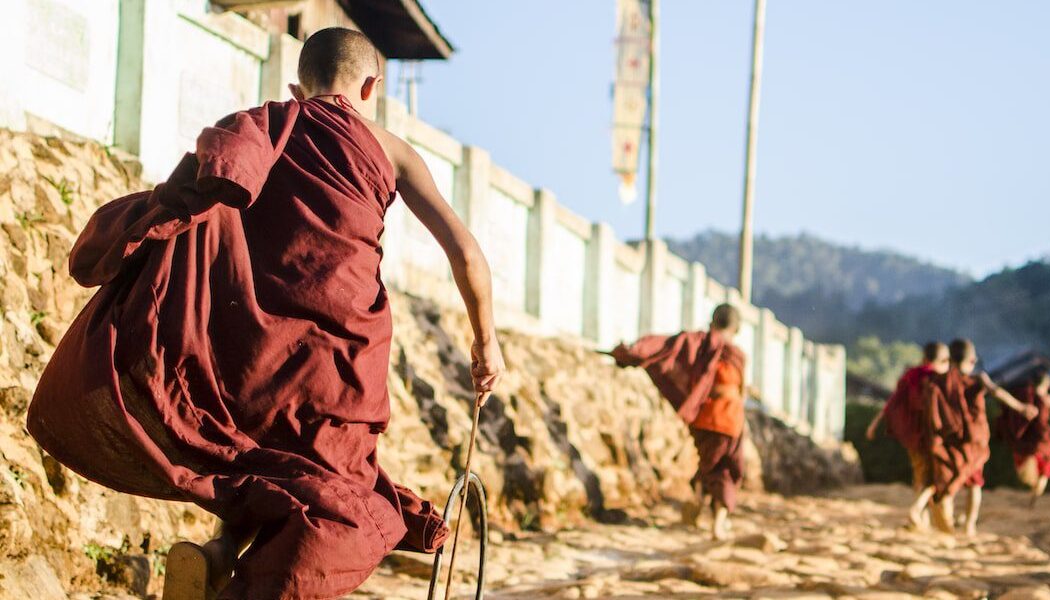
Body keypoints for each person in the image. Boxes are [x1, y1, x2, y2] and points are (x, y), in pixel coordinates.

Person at [26, 28, 504, 599]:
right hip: (332, 359)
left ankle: (223, 549)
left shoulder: (268, 125)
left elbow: (217, 196)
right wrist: (486, 341)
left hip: (245, 349)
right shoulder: (391, 148)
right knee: (340, 495)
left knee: (263, 452)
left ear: (298, 88)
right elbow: (467, 255)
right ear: (372, 86)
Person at [607, 304, 748, 541]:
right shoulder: (737, 356)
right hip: (731, 419)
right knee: (725, 469)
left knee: (709, 465)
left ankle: (698, 503)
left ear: (713, 322)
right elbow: (741, 391)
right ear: (735, 328)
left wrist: (634, 353)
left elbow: (666, 349)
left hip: (705, 418)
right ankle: (717, 524)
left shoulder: (700, 344)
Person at [921, 339, 1037, 536]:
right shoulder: (979, 379)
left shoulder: (939, 381)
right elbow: (997, 392)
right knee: (975, 483)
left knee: (947, 482)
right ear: (972, 360)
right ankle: (969, 526)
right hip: (974, 441)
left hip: (950, 440)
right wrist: (1022, 407)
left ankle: (946, 525)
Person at [864, 341, 949, 528]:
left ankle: (922, 521)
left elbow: (892, 402)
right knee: (937, 478)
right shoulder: (939, 379)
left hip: (912, 437)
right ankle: (917, 511)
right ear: (944, 360)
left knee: (920, 476)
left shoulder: (911, 375)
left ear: (924, 357)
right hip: (932, 437)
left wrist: (874, 424)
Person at [997, 368, 1050, 507]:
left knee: (1031, 472)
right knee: (1044, 474)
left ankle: (1032, 495)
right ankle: (1034, 498)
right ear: (1047, 385)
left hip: (1026, 443)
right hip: (1041, 443)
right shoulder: (1049, 399)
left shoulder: (1025, 397)